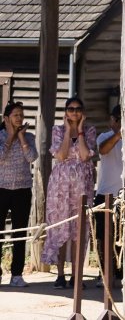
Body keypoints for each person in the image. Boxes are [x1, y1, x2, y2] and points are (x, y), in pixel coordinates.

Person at [43, 96, 97, 288]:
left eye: (78, 109)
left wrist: (80, 131)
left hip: (82, 186)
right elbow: (62, 154)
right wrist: (68, 132)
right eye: (71, 109)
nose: (74, 112)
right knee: (60, 228)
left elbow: (84, 155)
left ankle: (76, 275)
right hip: (60, 187)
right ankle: (60, 274)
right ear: (65, 111)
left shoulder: (89, 131)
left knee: (78, 231)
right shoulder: (57, 130)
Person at [0, 100, 37, 287]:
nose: (19, 118)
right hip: (1, 189)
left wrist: (21, 138)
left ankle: (16, 275)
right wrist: (10, 137)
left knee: (20, 233)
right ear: (6, 118)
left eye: (21, 115)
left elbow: (32, 157)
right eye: (15, 115)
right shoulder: (0, 136)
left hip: (22, 190)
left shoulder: (29, 136)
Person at [93, 105, 122, 288]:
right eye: (115, 118)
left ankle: (120, 273)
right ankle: (104, 273)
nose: (117, 122)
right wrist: (119, 133)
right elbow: (103, 150)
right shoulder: (104, 137)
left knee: (122, 236)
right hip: (105, 194)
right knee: (104, 238)